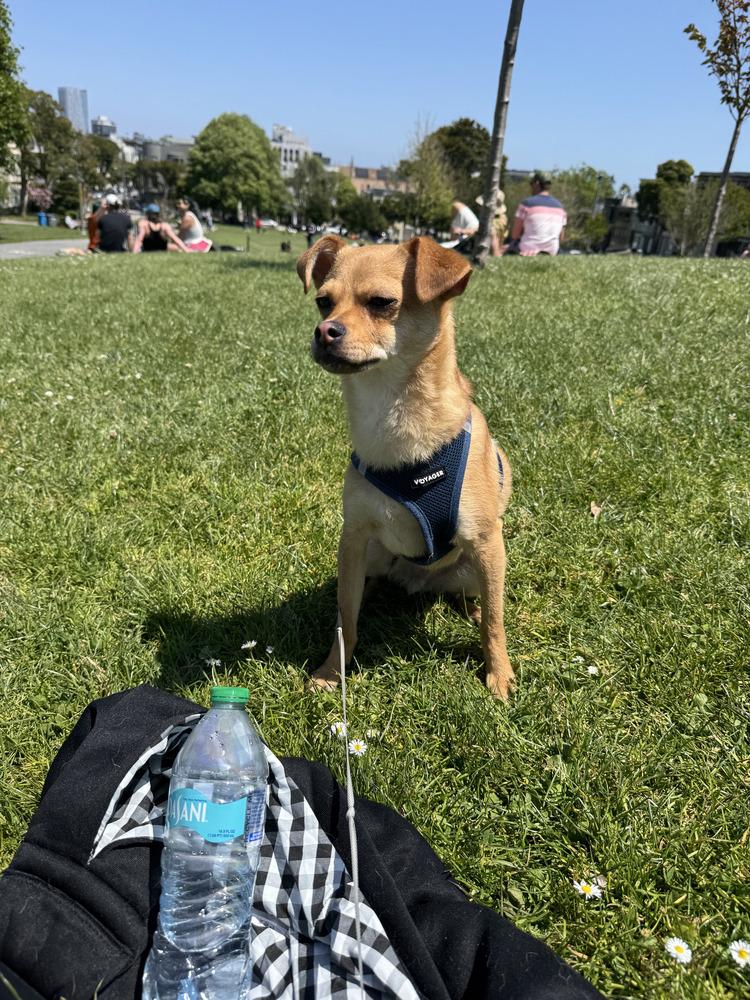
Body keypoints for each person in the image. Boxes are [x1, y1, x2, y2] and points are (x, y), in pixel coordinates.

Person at [512, 173, 567, 256]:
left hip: (527, 250)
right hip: (552, 251)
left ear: (536, 184)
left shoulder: (526, 204)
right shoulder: (560, 207)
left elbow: (515, 234)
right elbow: (561, 238)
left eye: (531, 184)